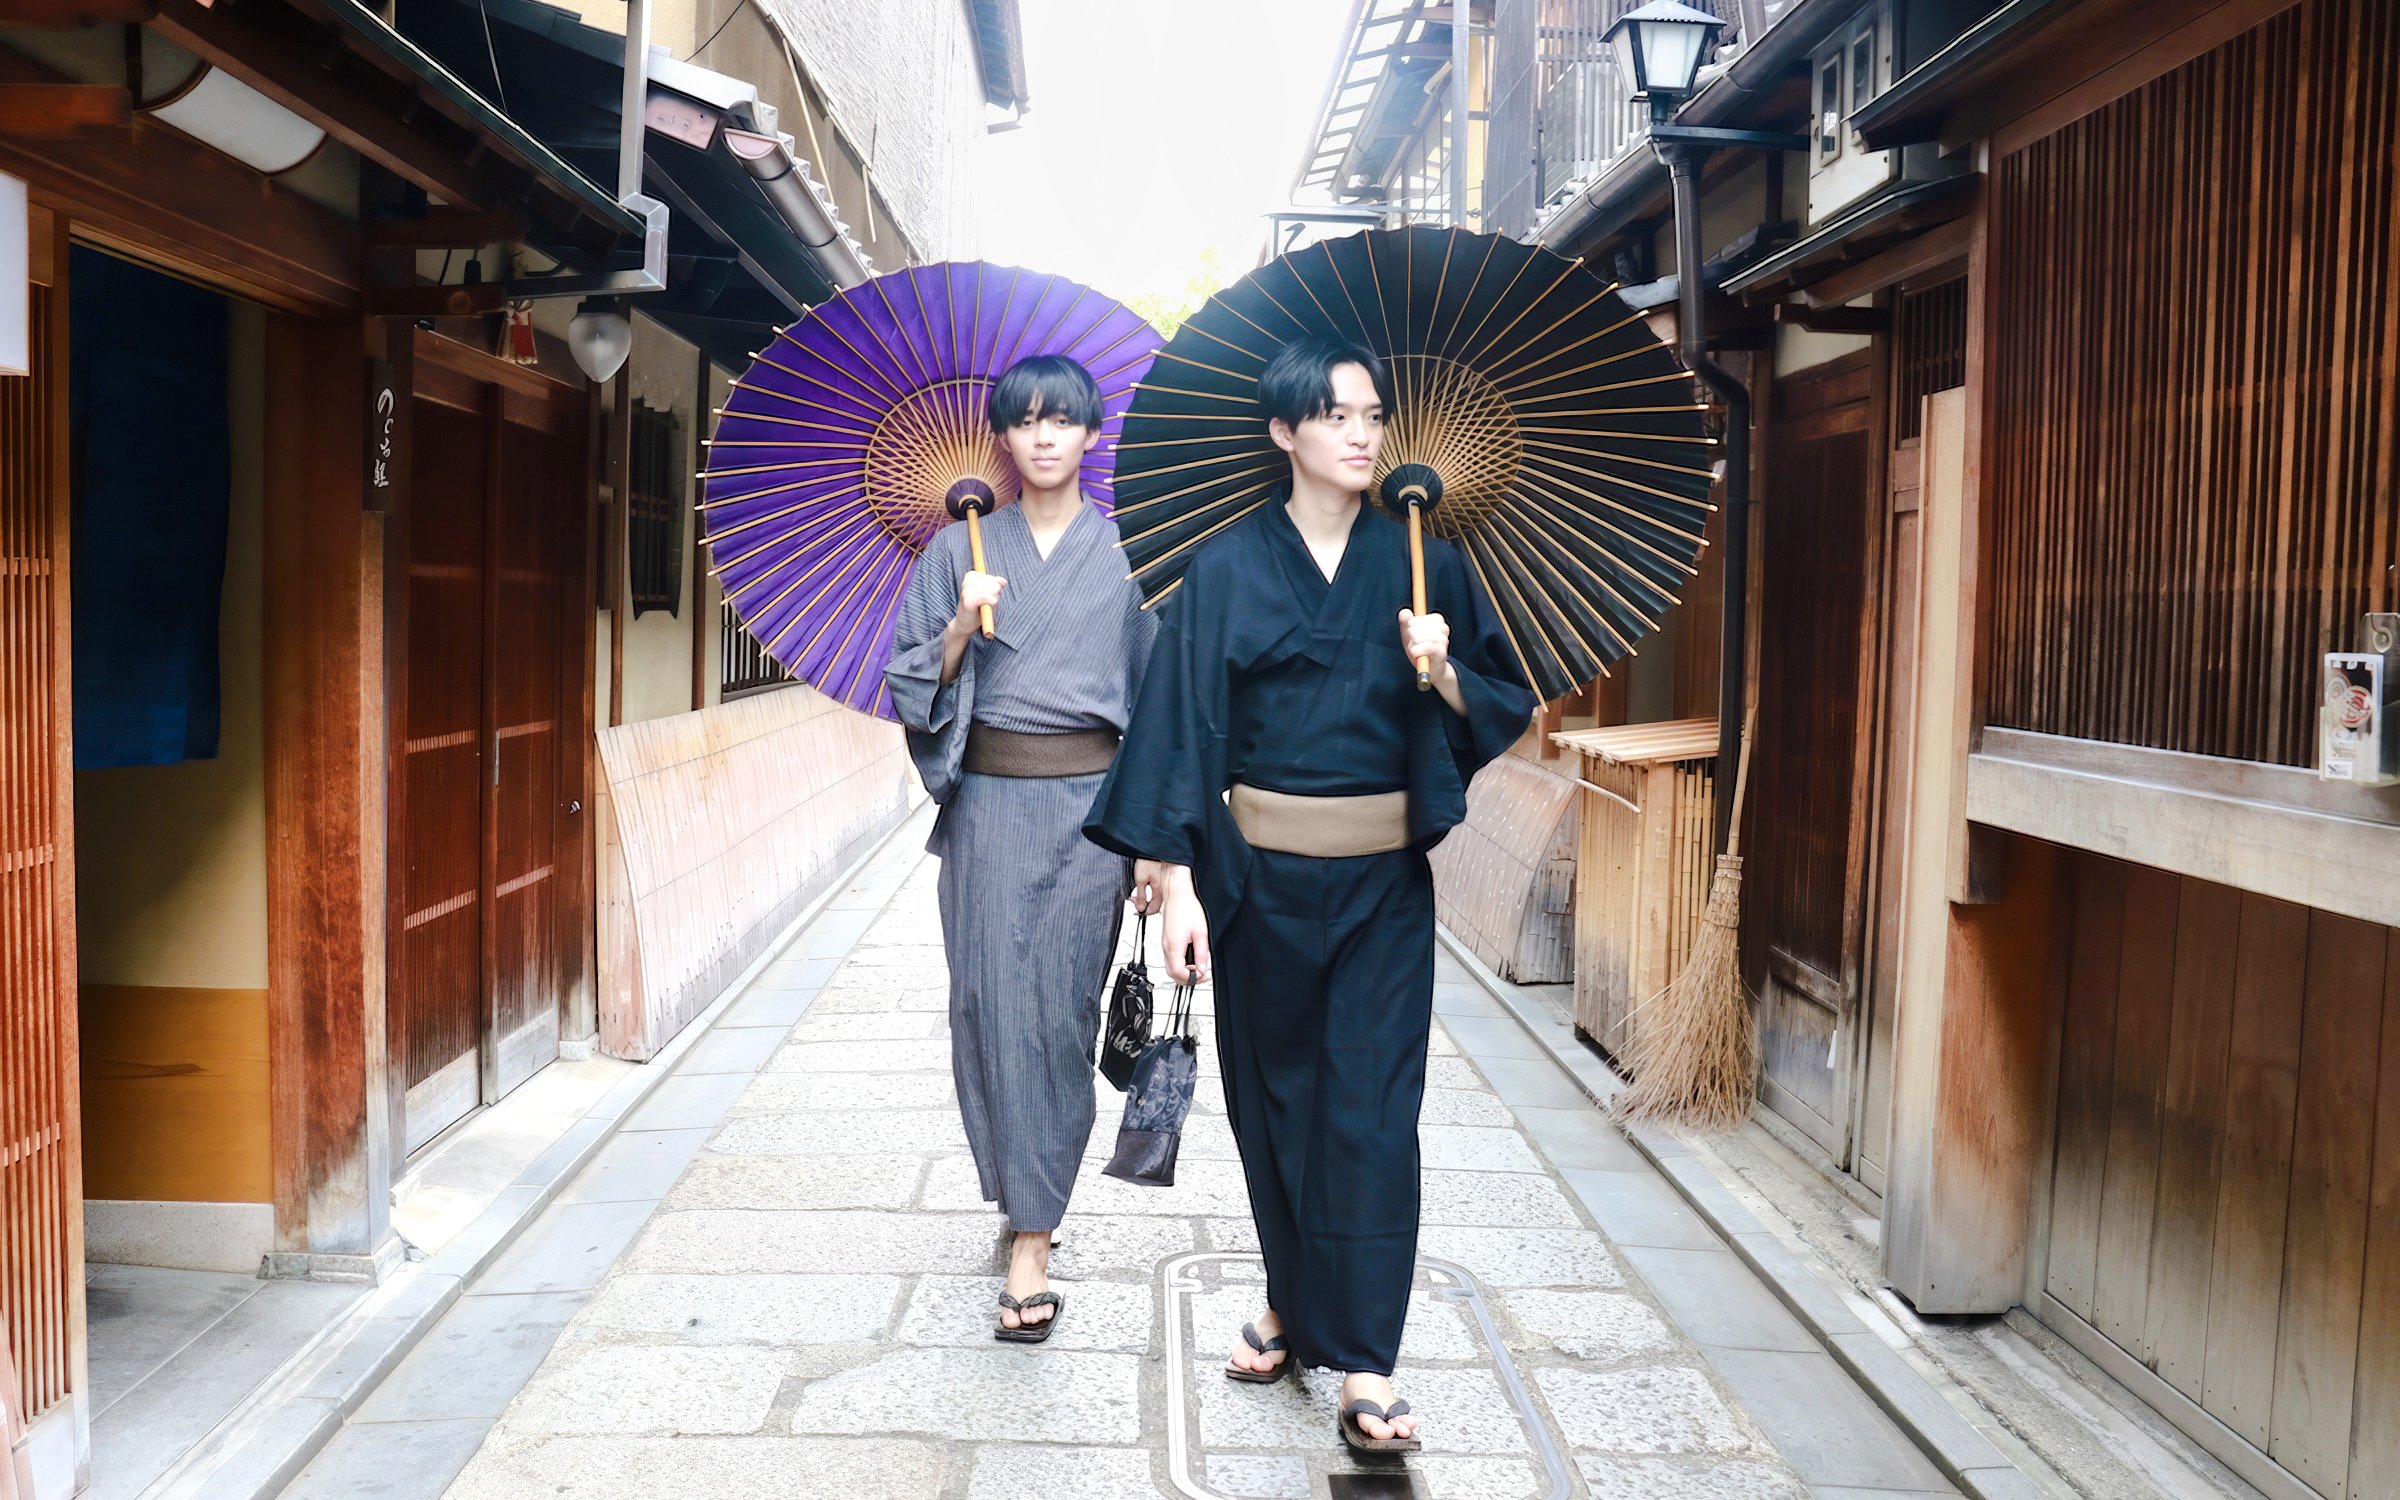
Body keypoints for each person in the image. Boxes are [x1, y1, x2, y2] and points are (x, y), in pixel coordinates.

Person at [1084, 336, 1536, 1450]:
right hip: (1260, 881)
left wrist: (1438, 669)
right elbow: (1180, 727)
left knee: (1373, 1116)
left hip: (1383, 882)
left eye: (1374, 415)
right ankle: (1290, 1301)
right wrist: (1178, 884)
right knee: (1275, 1104)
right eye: (1337, 415)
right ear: (1286, 431)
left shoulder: (1427, 561)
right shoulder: (1229, 567)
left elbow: (1501, 703)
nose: (1363, 433)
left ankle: (1368, 1361)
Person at [885, 353, 1161, 1342]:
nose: (1044, 438)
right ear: (1001, 438)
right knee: (986, 1008)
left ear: (1092, 436)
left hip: (1092, 814)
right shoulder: (956, 552)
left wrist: (1154, 848)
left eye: (1064, 421)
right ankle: (1021, 1197)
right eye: (1026, 422)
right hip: (988, 813)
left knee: (1055, 1018)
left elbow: (1157, 713)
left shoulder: (1132, 556)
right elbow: (910, 689)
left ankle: (1035, 1233)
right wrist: (962, 623)